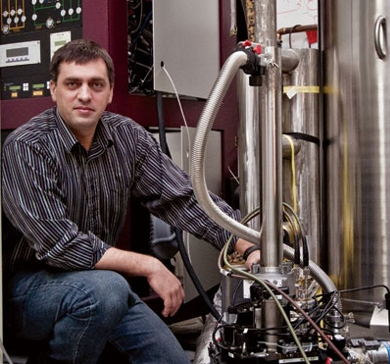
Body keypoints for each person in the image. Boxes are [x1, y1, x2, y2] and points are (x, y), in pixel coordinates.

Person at [1, 38, 261, 364]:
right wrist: (149, 265)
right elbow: (59, 243)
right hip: (28, 292)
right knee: (106, 290)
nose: (85, 95)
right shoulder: (27, 147)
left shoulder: (127, 137)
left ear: (110, 92)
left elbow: (184, 200)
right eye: (72, 84)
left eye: (96, 84)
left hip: (99, 289)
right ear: (53, 90)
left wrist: (248, 245)